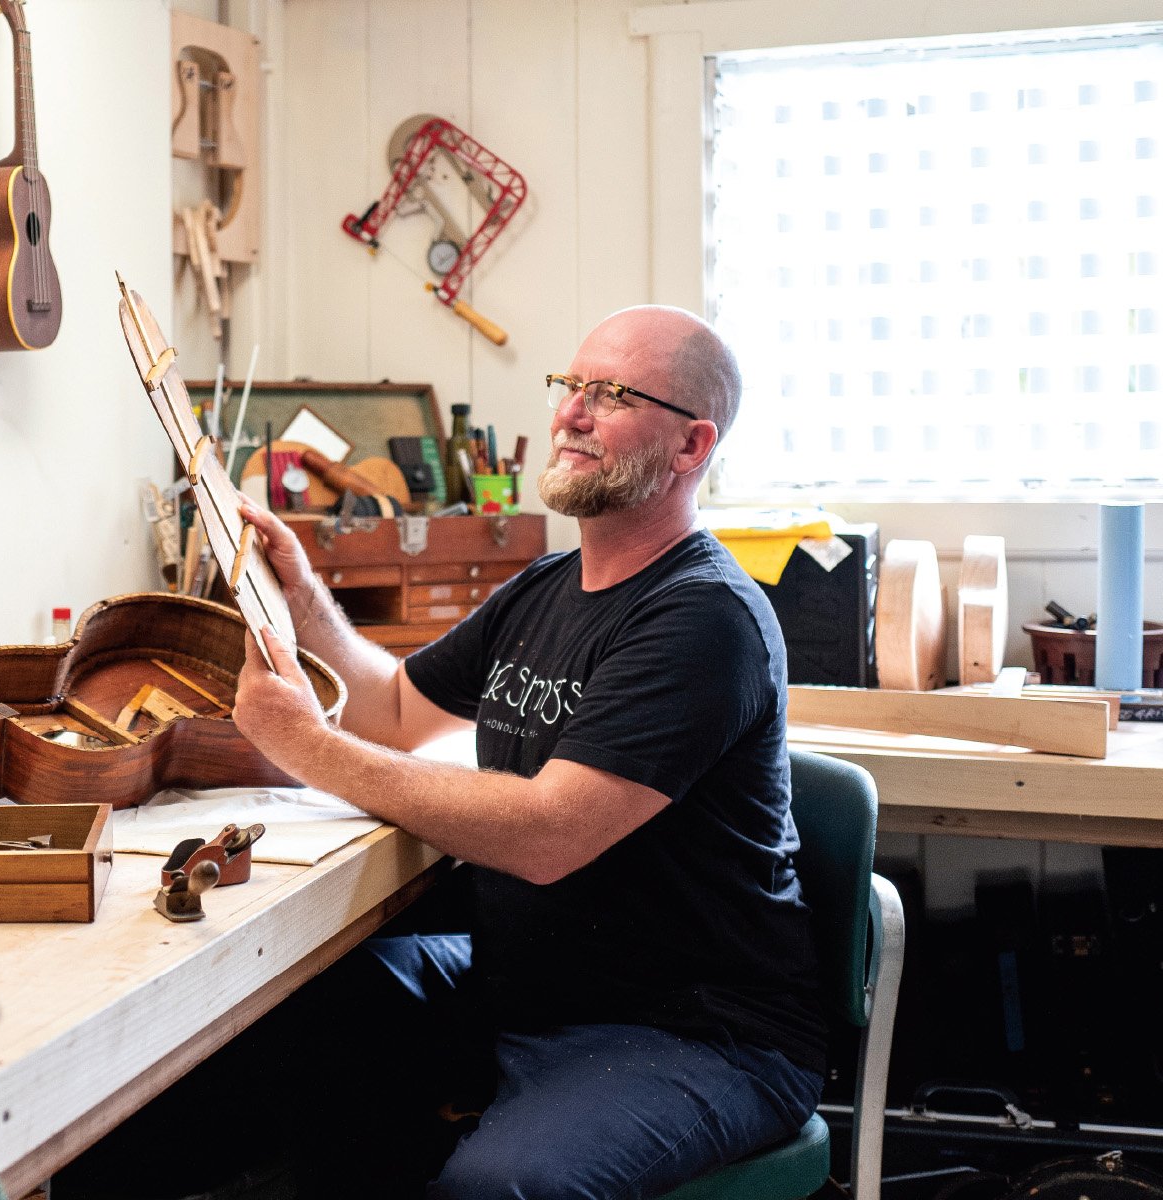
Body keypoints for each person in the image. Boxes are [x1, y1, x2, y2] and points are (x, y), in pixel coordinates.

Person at [225, 305, 827, 1199]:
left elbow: (548, 835)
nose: (571, 413)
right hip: (530, 989)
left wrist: (308, 745)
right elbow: (394, 709)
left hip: (696, 1034)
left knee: (502, 1187)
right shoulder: (548, 585)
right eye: (571, 386)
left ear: (691, 447)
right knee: (285, 1014)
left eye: (612, 395)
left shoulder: (704, 617)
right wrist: (303, 591)